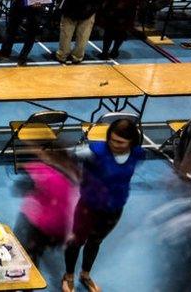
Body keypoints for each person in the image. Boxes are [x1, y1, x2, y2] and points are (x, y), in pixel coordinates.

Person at [61, 119, 144, 292]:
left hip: (114, 209)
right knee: (77, 241)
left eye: (120, 142)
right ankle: (68, 276)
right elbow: (69, 156)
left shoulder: (137, 154)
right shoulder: (94, 151)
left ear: (132, 141)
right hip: (88, 207)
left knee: (95, 241)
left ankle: (85, 275)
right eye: (112, 139)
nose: (114, 144)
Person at [15, 149, 79, 266]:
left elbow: (19, 188)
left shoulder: (43, 172)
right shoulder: (74, 180)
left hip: (37, 226)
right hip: (59, 231)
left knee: (25, 252)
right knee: (36, 249)